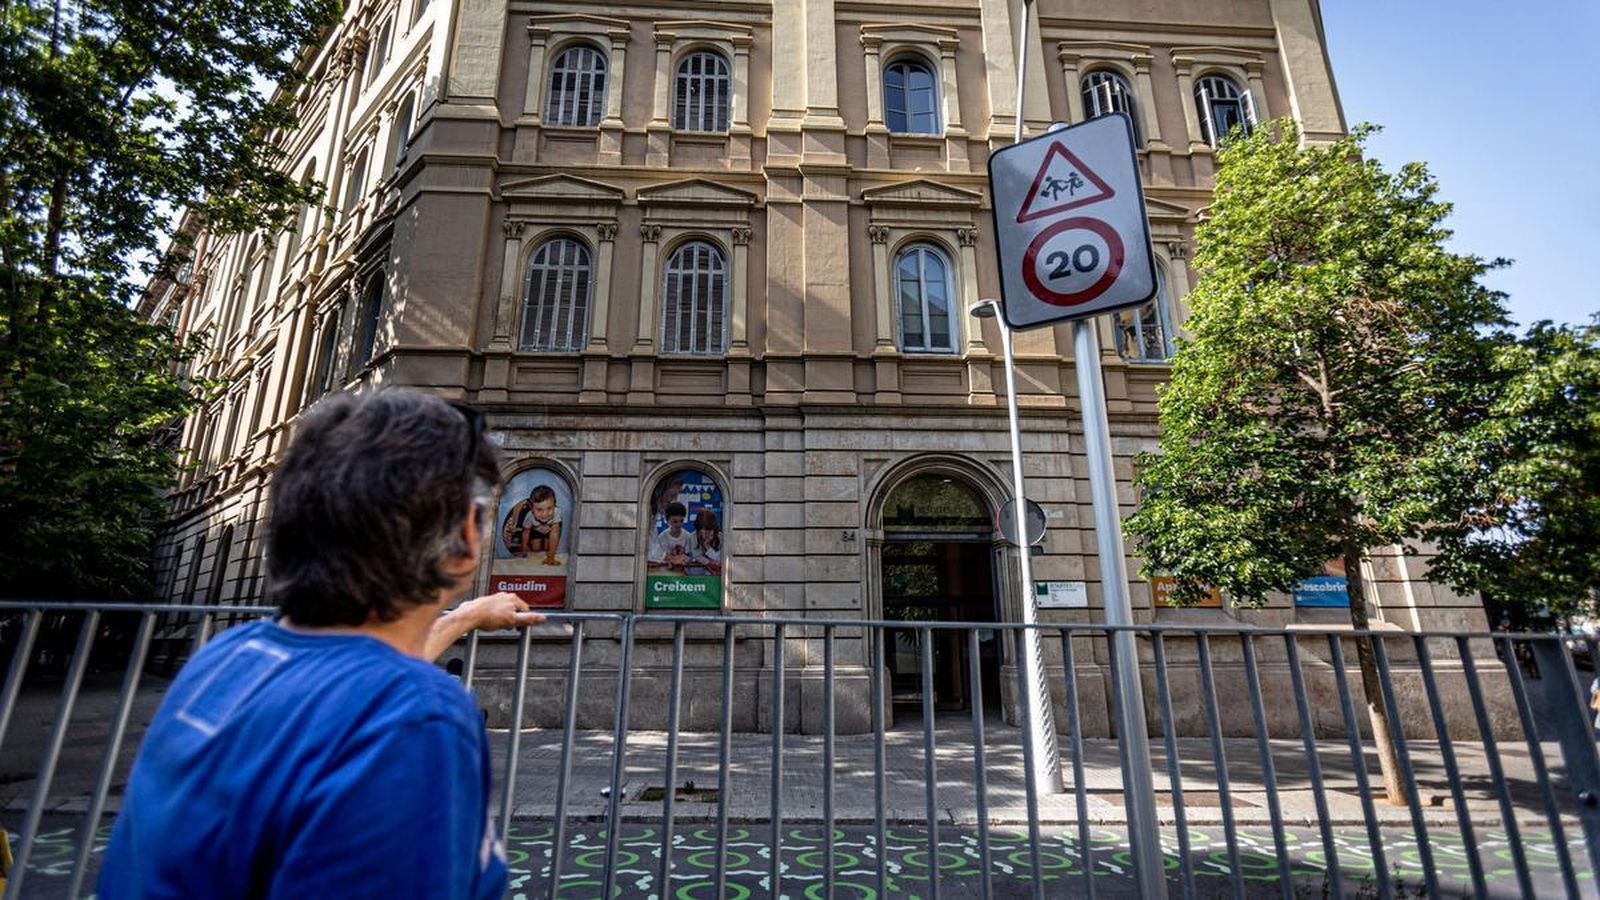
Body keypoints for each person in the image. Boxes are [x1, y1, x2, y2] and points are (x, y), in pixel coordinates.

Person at [99, 389, 545, 899]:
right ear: (466, 536)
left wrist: (462, 618)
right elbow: (371, 701)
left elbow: (351, 683)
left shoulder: (231, 659)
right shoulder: (414, 720)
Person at [502, 483, 562, 564]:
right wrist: (524, 547)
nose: (545, 514)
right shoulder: (530, 516)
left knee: (549, 546)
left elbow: (554, 534)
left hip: (549, 531)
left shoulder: (557, 512)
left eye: (549, 508)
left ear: (554, 505)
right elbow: (526, 532)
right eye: (539, 510)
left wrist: (551, 556)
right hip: (536, 531)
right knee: (535, 548)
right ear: (532, 509)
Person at [647, 501, 693, 574]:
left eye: (681, 521)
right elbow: (659, 558)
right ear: (667, 521)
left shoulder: (688, 536)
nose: (679, 524)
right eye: (675, 521)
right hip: (666, 572)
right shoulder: (662, 537)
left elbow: (689, 557)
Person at [689, 508, 722, 575]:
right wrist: (709, 563)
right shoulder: (693, 536)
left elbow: (720, 559)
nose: (704, 536)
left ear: (714, 529)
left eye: (707, 532)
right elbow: (696, 556)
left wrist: (708, 546)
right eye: (701, 532)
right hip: (697, 575)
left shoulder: (721, 537)